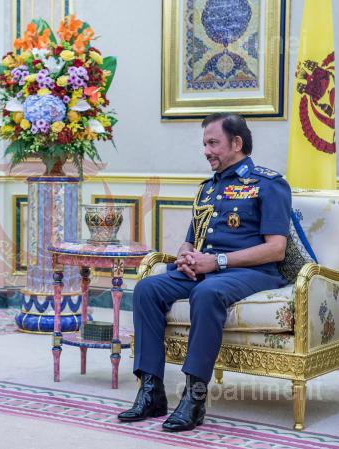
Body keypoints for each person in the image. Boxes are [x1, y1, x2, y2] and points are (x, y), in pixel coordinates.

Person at [118, 113, 291, 431]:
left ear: (236, 143)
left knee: (207, 292)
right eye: (205, 144)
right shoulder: (208, 189)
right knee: (146, 289)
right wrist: (185, 256)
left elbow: (276, 249)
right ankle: (151, 392)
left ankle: (194, 399)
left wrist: (218, 262)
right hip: (206, 269)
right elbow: (191, 239)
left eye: (213, 143)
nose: (206, 151)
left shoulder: (268, 184)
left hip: (254, 272)